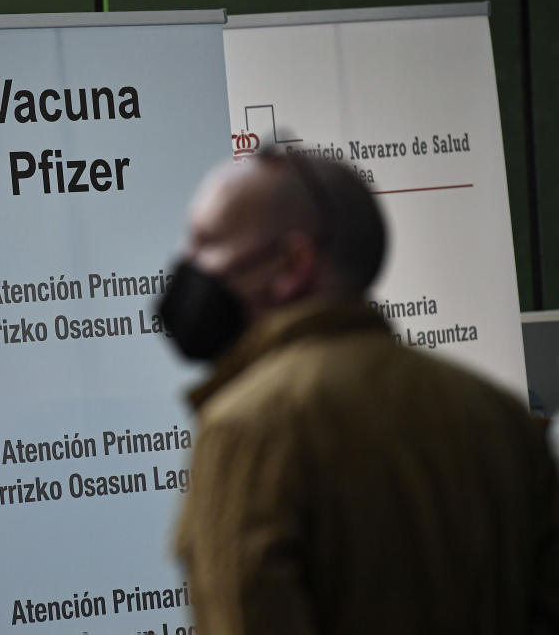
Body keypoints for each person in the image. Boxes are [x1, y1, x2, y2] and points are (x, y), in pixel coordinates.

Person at [160, 150, 559, 634]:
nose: (188, 265)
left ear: (293, 263)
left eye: (206, 242)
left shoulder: (247, 427)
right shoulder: (500, 417)